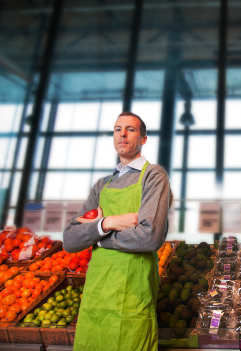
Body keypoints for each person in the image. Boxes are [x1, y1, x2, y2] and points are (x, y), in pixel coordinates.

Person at [63, 111, 172, 351]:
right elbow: (70, 240)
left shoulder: (153, 176)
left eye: (130, 129)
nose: (122, 134)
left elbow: (149, 237)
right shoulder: (102, 185)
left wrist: (97, 238)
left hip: (132, 288)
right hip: (97, 289)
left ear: (143, 139)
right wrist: (108, 223)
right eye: (117, 129)